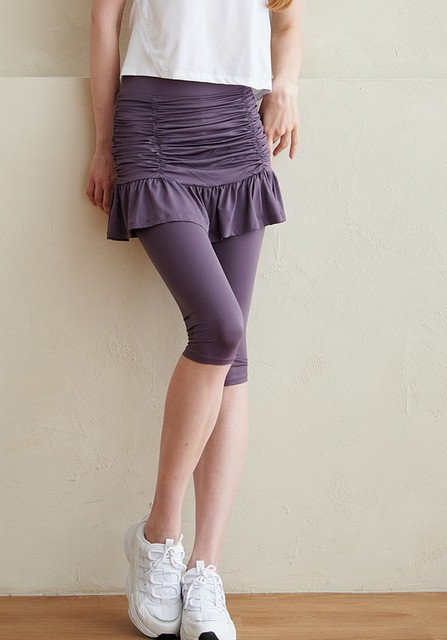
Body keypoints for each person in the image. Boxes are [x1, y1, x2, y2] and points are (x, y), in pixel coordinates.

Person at [87, 1, 303, 638]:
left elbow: (288, 19)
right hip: (154, 127)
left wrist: (286, 85)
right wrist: (102, 143)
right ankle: (158, 535)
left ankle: (205, 569)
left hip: (239, 128)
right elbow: (103, 22)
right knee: (220, 328)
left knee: (232, 357)